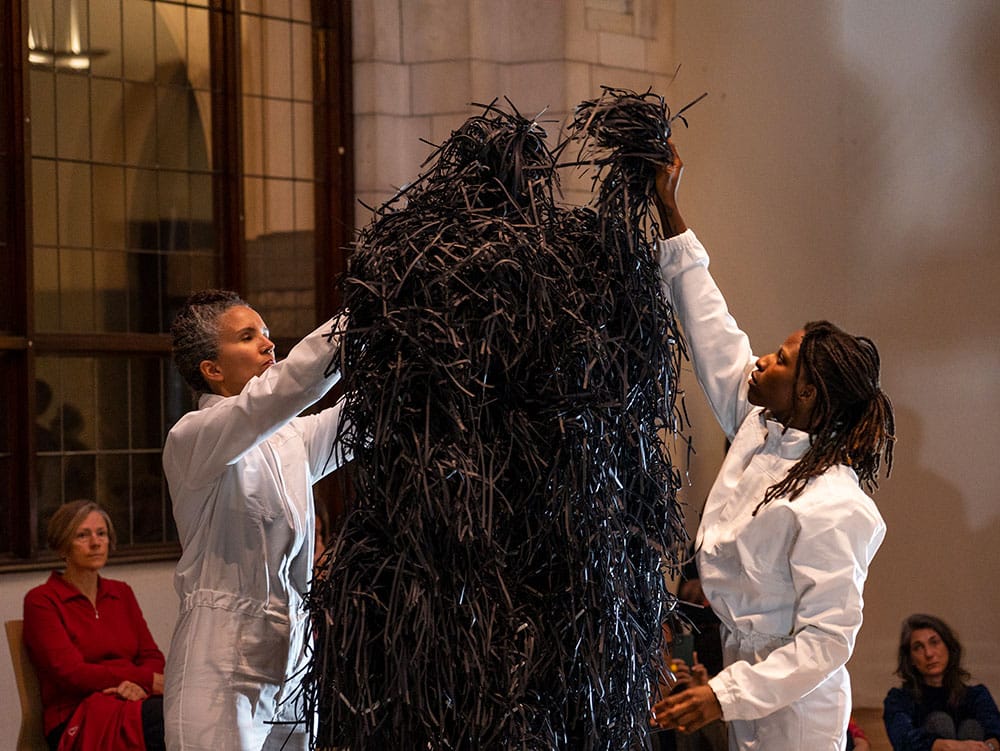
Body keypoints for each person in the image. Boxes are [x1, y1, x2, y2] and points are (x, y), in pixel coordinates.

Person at [648, 141, 895, 749]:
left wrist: (722, 694)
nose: (762, 360)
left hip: (799, 711)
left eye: (780, 360)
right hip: (742, 676)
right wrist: (669, 212)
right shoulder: (763, 430)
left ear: (808, 393)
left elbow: (825, 642)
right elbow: (714, 333)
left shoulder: (836, 505)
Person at [162, 290, 349, 751]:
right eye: (248, 337)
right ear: (213, 369)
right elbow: (282, 391)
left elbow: (361, 421)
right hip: (220, 652)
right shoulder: (193, 437)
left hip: (293, 649)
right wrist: (359, 314)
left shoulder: (290, 440)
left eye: (266, 334)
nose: (269, 345)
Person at [23, 500, 165, 751]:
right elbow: (72, 673)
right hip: (75, 714)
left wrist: (137, 686)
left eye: (101, 534)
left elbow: (151, 656)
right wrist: (144, 680)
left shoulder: (122, 593)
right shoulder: (42, 600)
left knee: (189, 712)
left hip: (133, 701)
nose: (96, 543)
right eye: (82, 535)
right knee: (165, 721)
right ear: (62, 547)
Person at [883, 613, 1000, 751]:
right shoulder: (898, 699)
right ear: (910, 659)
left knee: (971, 728)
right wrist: (949, 746)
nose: (929, 654)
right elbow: (903, 739)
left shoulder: (977, 696)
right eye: (918, 647)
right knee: (940, 722)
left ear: (948, 647)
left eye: (934, 642)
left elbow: (995, 733)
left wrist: (988, 747)